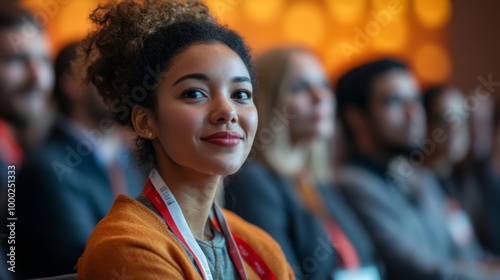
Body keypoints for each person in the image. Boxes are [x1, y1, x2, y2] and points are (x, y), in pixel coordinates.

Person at [74, 1, 293, 279]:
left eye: (240, 94)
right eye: (194, 94)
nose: (227, 111)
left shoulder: (259, 247)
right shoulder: (127, 245)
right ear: (146, 122)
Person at [224, 47, 383, 280]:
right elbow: (279, 274)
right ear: (268, 100)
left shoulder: (315, 180)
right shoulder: (253, 180)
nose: (320, 97)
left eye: (324, 85)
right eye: (299, 87)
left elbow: (366, 260)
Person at [335, 58, 500, 280]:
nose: (414, 112)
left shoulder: (422, 177)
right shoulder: (350, 184)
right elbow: (414, 271)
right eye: (395, 101)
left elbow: (469, 253)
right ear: (355, 118)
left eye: (416, 99)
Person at [16, 42, 145, 278]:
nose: (123, 85)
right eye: (108, 74)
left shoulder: (131, 162)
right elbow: (87, 263)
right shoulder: (49, 167)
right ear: (73, 83)